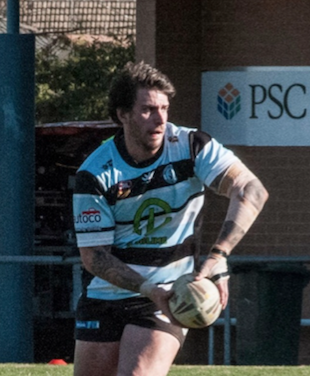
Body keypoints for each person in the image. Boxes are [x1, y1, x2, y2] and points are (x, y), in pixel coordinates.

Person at [72, 61, 269, 376]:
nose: (161, 118)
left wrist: (218, 257)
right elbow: (94, 257)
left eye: (164, 107)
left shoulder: (191, 147)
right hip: (106, 294)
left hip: (170, 291)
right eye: (148, 109)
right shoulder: (95, 172)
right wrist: (147, 287)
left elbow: (252, 191)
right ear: (123, 115)